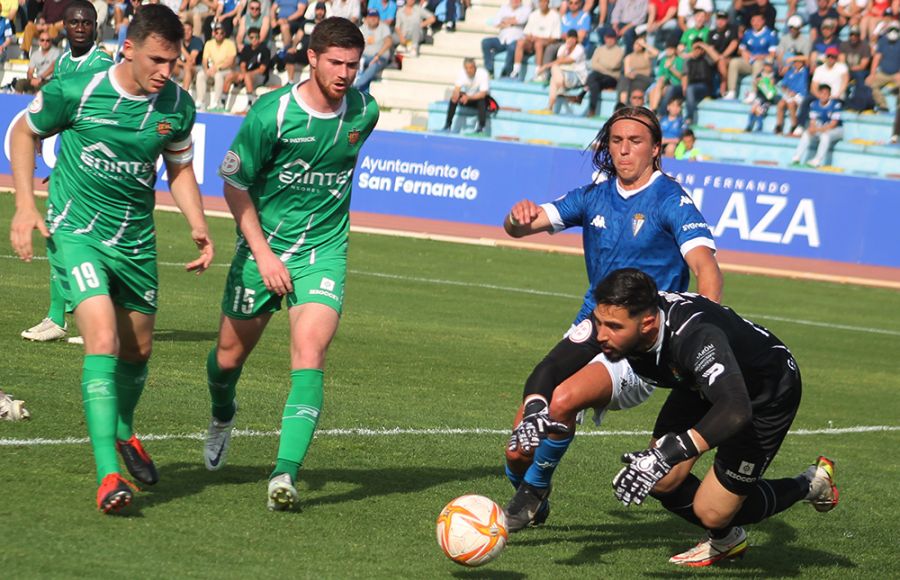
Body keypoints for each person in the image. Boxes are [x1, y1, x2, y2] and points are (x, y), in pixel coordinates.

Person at [9, 3, 214, 514]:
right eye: (156, 60)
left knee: (138, 351)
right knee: (100, 339)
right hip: (77, 233)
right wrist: (23, 206)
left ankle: (124, 429)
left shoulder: (176, 106)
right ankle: (107, 476)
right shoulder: (79, 90)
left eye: (174, 62)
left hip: (137, 244)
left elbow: (180, 167)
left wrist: (197, 223)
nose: (165, 72)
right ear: (128, 48)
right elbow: (23, 132)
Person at [500, 105, 722, 532]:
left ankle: (532, 495)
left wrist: (703, 332)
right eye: (617, 141)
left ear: (656, 149)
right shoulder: (595, 195)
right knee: (517, 449)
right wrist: (518, 217)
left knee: (563, 398)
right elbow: (519, 227)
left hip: (639, 342)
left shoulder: (671, 200)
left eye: (635, 142)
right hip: (591, 326)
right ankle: (532, 491)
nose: (624, 151)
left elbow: (707, 269)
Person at [203, 16, 379, 512]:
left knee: (310, 353)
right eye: (336, 63)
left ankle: (284, 475)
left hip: (323, 251)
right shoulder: (272, 114)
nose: (345, 73)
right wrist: (263, 253)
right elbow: (235, 184)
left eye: (353, 64)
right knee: (227, 361)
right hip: (263, 251)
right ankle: (222, 414)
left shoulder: (365, 111)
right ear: (313, 59)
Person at [593, 268, 838, 566]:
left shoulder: (695, 334)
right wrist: (537, 407)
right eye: (598, 323)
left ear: (645, 324)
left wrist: (669, 452)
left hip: (763, 392)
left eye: (611, 326)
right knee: (661, 479)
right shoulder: (616, 326)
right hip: (700, 384)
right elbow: (559, 363)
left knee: (712, 511)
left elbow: (735, 408)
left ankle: (811, 484)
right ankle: (727, 540)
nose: (600, 334)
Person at [20, 0, 112, 342]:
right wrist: (45, 150)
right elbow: (56, 111)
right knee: (57, 237)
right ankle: (58, 317)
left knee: (89, 242)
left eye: (86, 22)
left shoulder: (101, 63)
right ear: (65, 26)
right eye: (74, 22)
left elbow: (106, 113)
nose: (79, 27)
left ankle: (91, 320)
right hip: (70, 168)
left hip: (95, 168)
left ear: (95, 26)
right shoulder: (62, 64)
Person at [724, 12, 777, 101]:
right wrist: (744, 52)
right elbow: (740, 49)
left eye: (758, 21)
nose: (755, 23)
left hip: (762, 64)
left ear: (763, 21)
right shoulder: (748, 33)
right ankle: (731, 91)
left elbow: (773, 54)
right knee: (734, 62)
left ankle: (753, 93)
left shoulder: (770, 34)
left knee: (757, 63)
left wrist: (761, 56)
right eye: (753, 21)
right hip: (749, 62)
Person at [792, 83, 844, 167]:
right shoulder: (814, 104)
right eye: (822, 93)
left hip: (837, 130)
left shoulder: (835, 105)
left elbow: (833, 124)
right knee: (806, 133)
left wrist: (817, 129)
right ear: (818, 94)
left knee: (825, 136)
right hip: (821, 128)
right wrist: (812, 129)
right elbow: (813, 121)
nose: (823, 96)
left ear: (829, 95)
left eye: (826, 94)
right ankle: (796, 158)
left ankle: (817, 160)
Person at [510, 0, 560, 81]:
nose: (542, 4)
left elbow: (555, 37)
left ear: (548, 3)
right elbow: (527, 32)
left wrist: (540, 39)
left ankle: (538, 71)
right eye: (540, 2)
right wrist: (532, 38)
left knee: (538, 44)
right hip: (532, 41)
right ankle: (516, 70)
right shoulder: (534, 14)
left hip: (545, 42)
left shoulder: (555, 16)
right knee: (520, 42)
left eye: (544, 2)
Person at [222, 26, 270, 108]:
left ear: (259, 38)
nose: (254, 40)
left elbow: (262, 70)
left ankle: (250, 104)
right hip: (246, 75)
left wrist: (245, 74)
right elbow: (242, 65)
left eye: (256, 37)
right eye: (252, 37)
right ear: (248, 38)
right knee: (229, 76)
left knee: (247, 76)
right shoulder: (246, 49)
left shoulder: (265, 50)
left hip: (260, 77)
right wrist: (244, 74)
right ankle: (222, 103)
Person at [541, 29, 588, 111]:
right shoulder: (563, 47)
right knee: (553, 78)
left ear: (576, 39)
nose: (570, 40)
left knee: (554, 68)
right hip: (563, 76)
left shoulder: (579, 48)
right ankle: (550, 107)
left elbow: (568, 60)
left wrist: (546, 66)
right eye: (569, 38)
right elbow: (560, 60)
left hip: (577, 77)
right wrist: (566, 49)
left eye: (573, 38)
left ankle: (559, 90)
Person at [481, 0, 530, 78]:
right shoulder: (504, 8)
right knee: (486, 42)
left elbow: (521, 20)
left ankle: (507, 71)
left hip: (516, 38)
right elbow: (495, 22)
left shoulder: (526, 9)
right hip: (502, 39)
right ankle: (489, 69)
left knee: (513, 47)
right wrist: (512, 22)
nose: (515, 1)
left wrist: (504, 21)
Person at [196, 21, 237, 111]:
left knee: (218, 76)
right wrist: (207, 69)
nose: (219, 34)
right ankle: (200, 101)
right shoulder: (209, 43)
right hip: (211, 70)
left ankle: (216, 102)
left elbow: (231, 61)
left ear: (224, 33)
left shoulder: (230, 44)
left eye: (221, 32)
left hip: (225, 70)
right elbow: (204, 60)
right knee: (201, 74)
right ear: (213, 33)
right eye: (216, 32)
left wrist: (218, 68)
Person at [442, 57, 490, 132]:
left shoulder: (483, 74)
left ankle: (481, 127)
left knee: (482, 100)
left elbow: (483, 94)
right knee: (453, 99)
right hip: (467, 98)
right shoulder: (461, 73)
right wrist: (456, 95)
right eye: (466, 68)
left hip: (480, 100)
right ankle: (448, 125)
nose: (469, 70)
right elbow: (457, 89)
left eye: (471, 68)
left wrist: (468, 97)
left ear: (475, 67)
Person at [584, 28, 624, 117]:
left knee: (593, 78)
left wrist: (600, 64)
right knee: (594, 82)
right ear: (605, 38)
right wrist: (606, 68)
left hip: (612, 78)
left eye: (612, 37)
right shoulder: (599, 49)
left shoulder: (619, 51)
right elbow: (593, 64)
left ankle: (584, 98)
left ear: (615, 39)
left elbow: (614, 66)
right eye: (607, 37)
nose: (609, 40)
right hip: (599, 77)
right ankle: (592, 110)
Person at [681, 38, 718, 125]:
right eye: (695, 48)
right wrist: (684, 87)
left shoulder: (707, 58)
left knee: (690, 89)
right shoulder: (688, 60)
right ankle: (661, 115)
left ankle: (689, 117)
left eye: (699, 48)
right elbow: (685, 75)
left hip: (705, 87)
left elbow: (717, 58)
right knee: (671, 89)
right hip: (692, 86)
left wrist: (703, 45)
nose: (697, 51)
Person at [354, 8, 392, 93]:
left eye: (375, 16)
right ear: (367, 18)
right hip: (363, 57)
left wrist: (378, 55)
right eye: (371, 16)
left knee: (373, 65)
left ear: (379, 18)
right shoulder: (362, 28)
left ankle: (355, 86)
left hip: (380, 57)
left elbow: (389, 42)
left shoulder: (384, 27)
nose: (373, 18)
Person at [866, 21, 900, 113]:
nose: (893, 32)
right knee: (869, 83)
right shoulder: (883, 41)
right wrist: (872, 74)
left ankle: (898, 107)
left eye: (895, 30)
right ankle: (882, 105)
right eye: (891, 30)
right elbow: (877, 58)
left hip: (897, 74)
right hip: (883, 73)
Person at [774, 52, 809, 134]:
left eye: (799, 61)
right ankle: (779, 125)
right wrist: (787, 91)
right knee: (780, 104)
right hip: (790, 94)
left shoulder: (805, 71)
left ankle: (794, 125)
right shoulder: (790, 72)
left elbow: (808, 58)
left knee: (791, 104)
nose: (797, 63)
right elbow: (784, 85)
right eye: (795, 62)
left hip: (800, 95)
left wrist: (793, 58)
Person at [615, 31, 654, 106]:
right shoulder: (628, 57)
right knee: (624, 80)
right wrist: (630, 75)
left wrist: (644, 44)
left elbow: (656, 53)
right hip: (632, 79)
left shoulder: (646, 55)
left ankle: (622, 105)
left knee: (629, 83)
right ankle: (622, 104)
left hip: (645, 79)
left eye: (639, 45)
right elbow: (626, 72)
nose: (637, 46)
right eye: (636, 44)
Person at [709, 10, 739, 98]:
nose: (720, 21)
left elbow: (734, 44)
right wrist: (718, 57)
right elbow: (711, 48)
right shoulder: (712, 33)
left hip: (729, 57)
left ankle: (723, 86)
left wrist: (723, 55)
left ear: (727, 20)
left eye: (723, 19)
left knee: (721, 61)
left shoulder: (732, 29)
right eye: (719, 19)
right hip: (715, 58)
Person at [745, 59, 777, 131]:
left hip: (767, 99)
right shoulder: (759, 75)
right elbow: (756, 86)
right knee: (753, 108)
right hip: (760, 97)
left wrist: (765, 81)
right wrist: (757, 82)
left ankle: (759, 126)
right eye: (766, 65)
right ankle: (749, 125)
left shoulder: (773, 76)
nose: (768, 68)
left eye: (770, 66)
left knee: (759, 109)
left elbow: (771, 89)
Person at [174, 19, 203, 91]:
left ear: (192, 31)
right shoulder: (178, 41)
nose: (186, 32)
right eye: (184, 30)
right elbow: (175, 60)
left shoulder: (196, 41)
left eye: (188, 30)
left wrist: (181, 47)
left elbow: (191, 61)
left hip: (197, 69)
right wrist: (183, 64)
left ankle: (184, 92)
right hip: (184, 69)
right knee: (169, 66)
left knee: (188, 67)